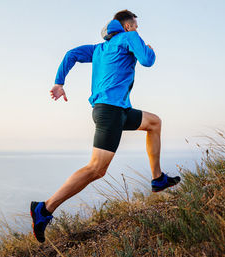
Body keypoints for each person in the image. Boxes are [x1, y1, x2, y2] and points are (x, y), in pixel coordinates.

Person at [30, 9, 180, 243]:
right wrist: (149, 49)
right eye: (136, 26)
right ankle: (45, 209)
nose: (137, 30)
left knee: (154, 122)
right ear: (128, 26)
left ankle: (157, 178)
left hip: (116, 110)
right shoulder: (129, 38)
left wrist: (59, 82)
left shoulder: (99, 49)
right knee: (96, 169)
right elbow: (147, 61)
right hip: (110, 112)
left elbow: (71, 54)